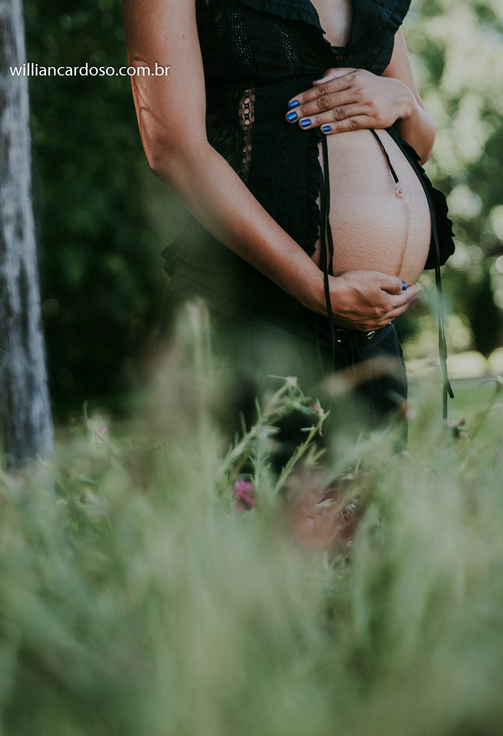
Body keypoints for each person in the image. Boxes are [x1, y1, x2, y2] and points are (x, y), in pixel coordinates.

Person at [124, 0, 454, 457]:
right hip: (251, 313)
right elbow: (173, 150)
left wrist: (404, 105)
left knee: (372, 522)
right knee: (259, 517)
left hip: (370, 332)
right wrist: (313, 287)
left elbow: (417, 141)